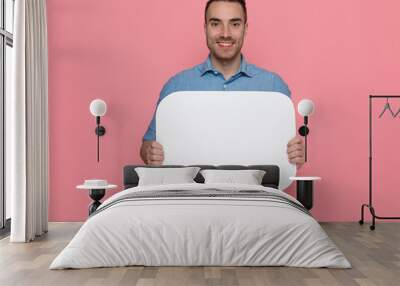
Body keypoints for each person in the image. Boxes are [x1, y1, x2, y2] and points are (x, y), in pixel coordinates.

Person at [140, 0, 305, 167]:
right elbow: (148, 145)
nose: (225, 33)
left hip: (257, 192)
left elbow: (290, 152)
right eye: (215, 23)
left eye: (234, 24)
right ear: (205, 28)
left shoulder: (274, 88)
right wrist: (149, 152)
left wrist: (297, 154)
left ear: (245, 29)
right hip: (190, 192)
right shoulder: (176, 87)